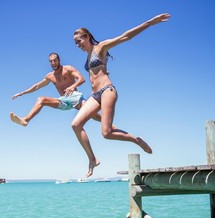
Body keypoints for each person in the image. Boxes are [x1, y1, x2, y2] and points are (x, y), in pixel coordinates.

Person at [72, 13, 170, 178]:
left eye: (79, 41)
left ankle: (136, 140)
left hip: (107, 91)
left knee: (106, 133)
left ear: (87, 36)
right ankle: (92, 159)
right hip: (94, 96)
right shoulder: (87, 56)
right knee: (75, 124)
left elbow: (125, 37)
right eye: (75, 43)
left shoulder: (100, 47)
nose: (78, 45)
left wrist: (149, 23)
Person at [10, 52, 104, 126]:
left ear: (59, 60)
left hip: (76, 97)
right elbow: (37, 86)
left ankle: (108, 123)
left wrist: (72, 86)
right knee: (41, 99)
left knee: (92, 114)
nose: (53, 63)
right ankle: (25, 120)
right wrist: (22, 93)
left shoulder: (68, 69)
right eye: (51, 61)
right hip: (64, 101)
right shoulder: (50, 76)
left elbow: (82, 79)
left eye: (55, 60)